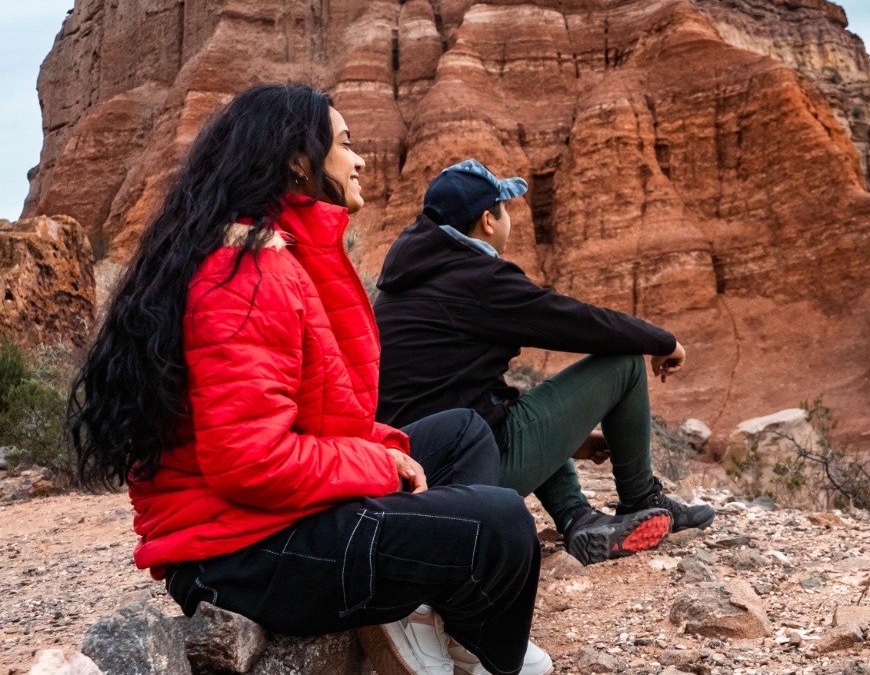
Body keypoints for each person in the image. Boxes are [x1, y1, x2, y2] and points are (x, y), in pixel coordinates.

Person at [68, 85, 550, 675]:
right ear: (299, 162)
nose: (360, 159)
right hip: (240, 554)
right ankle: (481, 654)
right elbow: (248, 461)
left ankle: (425, 617)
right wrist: (378, 464)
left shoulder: (278, 252)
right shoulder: (245, 272)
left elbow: (311, 415)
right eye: (345, 144)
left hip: (267, 520)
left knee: (462, 434)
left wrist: (380, 449)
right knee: (504, 525)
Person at [373, 159, 715, 566]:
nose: (509, 218)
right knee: (624, 362)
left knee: (516, 404)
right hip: (470, 472)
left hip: (411, 475)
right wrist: (664, 342)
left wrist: (571, 441)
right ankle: (642, 499)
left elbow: (452, 393)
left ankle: (578, 518)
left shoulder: (400, 286)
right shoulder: (479, 280)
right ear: (487, 220)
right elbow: (577, 322)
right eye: (505, 208)